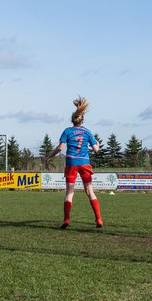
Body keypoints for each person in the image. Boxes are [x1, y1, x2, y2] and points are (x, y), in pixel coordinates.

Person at [42, 96, 103, 230]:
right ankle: (98, 219)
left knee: (70, 193)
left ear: (73, 120)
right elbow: (96, 149)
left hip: (71, 163)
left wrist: (49, 157)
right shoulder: (87, 131)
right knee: (90, 191)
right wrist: (97, 143)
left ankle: (66, 219)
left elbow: (59, 148)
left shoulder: (67, 131)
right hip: (85, 163)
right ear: (82, 120)